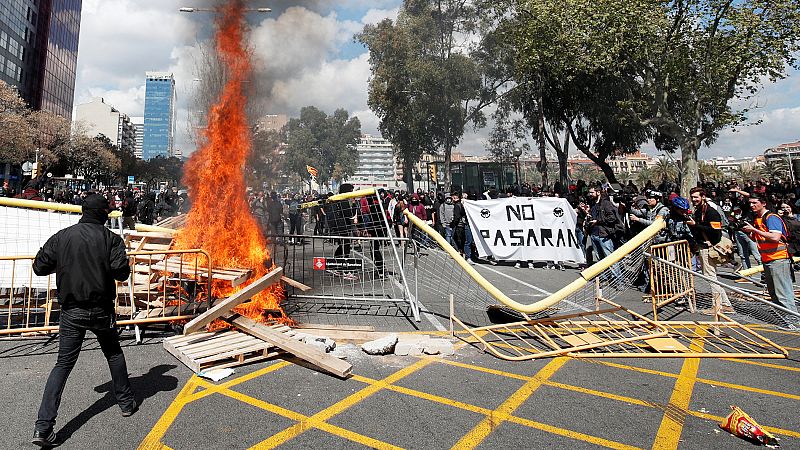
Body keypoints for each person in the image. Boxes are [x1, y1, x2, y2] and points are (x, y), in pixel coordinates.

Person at [31, 194, 136, 447]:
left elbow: (39, 267)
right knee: (113, 353)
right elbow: (121, 273)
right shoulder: (111, 239)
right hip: (101, 309)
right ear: (103, 214)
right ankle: (125, 403)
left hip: (71, 310)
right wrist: (122, 260)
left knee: (63, 365)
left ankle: (43, 427)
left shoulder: (63, 236)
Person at [741, 195, 799, 329]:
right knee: (774, 294)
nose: (751, 205)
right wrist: (749, 232)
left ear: (763, 203)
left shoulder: (771, 217)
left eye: (755, 203)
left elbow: (775, 237)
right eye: (750, 203)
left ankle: (794, 322)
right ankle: (785, 321)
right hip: (768, 260)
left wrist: (754, 230)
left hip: (779, 259)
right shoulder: (757, 219)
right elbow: (760, 238)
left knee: (783, 293)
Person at [687, 187, 734, 315]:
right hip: (703, 247)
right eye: (692, 197)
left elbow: (715, 231)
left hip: (709, 248)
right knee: (711, 276)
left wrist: (695, 225)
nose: (694, 199)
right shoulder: (699, 211)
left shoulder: (711, 212)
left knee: (710, 277)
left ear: (703, 196)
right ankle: (725, 304)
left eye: (696, 197)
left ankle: (718, 305)